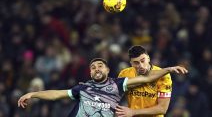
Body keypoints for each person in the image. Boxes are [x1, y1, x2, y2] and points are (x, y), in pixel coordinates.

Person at [18, 58, 187, 117]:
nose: (96, 69)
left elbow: (147, 77)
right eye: (93, 67)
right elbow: (57, 94)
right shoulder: (83, 88)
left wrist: (168, 70)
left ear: (107, 70)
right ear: (90, 73)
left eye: (100, 66)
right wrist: (33, 94)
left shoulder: (119, 84)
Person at [117, 45, 175, 117]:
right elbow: (115, 98)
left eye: (143, 61)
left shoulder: (163, 75)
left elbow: (162, 108)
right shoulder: (124, 74)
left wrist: (133, 112)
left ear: (148, 58)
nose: (141, 65)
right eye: (136, 62)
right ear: (131, 63)